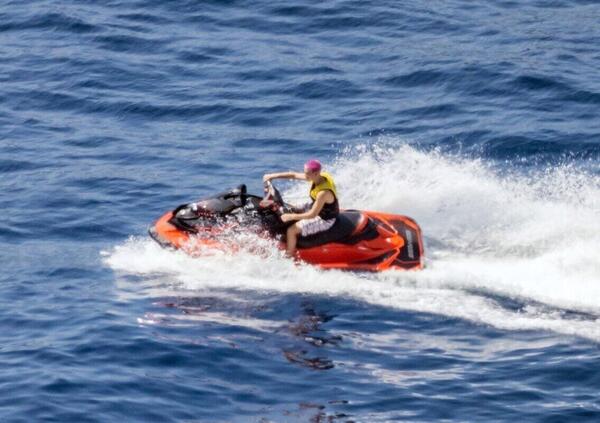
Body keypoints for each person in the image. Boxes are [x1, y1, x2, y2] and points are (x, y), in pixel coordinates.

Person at [263, 159, 339, 257]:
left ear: (315, 173)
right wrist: (271, 176)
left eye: (307, 173)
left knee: (291, 230)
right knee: (291, 207)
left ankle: (288, 256)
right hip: (317, 206)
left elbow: (312, 215)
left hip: (325, 218)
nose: (304, 175)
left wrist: (290, 217)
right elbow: (293, 175)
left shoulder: (323, 193)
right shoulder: (319, 176)